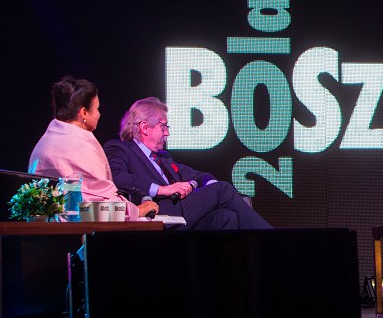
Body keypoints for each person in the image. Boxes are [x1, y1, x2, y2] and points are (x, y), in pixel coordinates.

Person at [103, 96, 273, 230]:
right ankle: (274, 241)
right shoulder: (120, 149)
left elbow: (201, 176)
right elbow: (118, 177)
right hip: (156, 212)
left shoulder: (163, 158)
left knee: (226, 217)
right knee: (223, 189)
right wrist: (163, 189)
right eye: (163, 127)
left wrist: (198, 185)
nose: (167, 133)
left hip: (181, 213)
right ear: (145, 127)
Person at [28, 76, 159, 221]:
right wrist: (136, 210)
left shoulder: (45, 142)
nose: (99, 114)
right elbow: (95, 207)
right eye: (97, 109)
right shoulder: (79, 146)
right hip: (75, 229)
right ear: (84, 112)